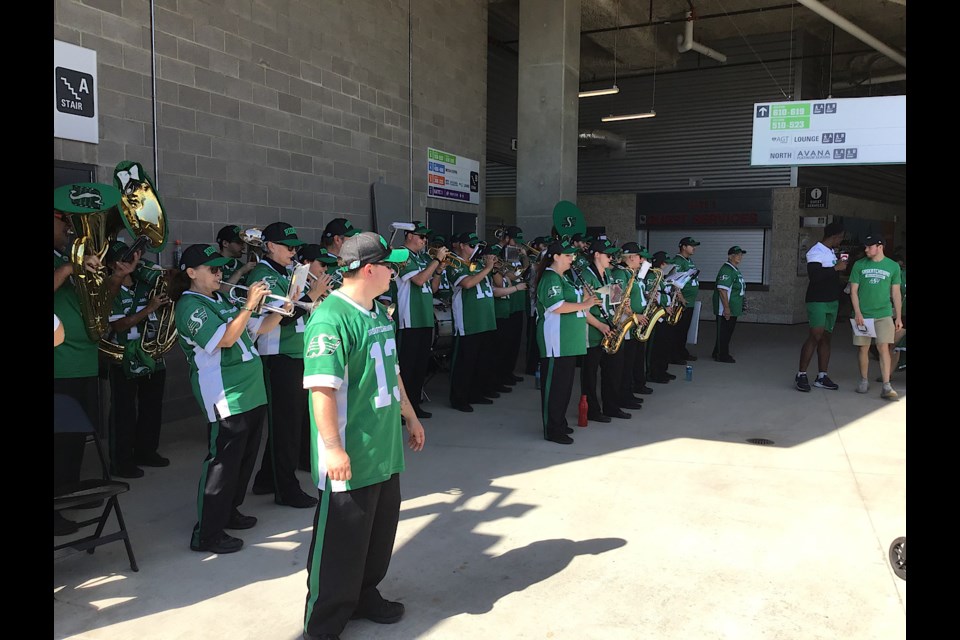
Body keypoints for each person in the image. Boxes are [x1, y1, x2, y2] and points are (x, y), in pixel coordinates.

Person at [300, 231, 425, 640]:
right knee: (339, 543)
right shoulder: (331, 317)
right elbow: (321, 388)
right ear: (369, 269)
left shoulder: (377, 311)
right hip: (351, 452)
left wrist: (409, 413)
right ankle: (324, 623)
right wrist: (332, 448)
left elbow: (393, 369)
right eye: (391, 265)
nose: (395, 272)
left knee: (377, 534)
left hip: (384, 447)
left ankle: (365, 594)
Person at [171, 243, 287, 554]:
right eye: (213, 269)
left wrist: (283, 309)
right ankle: (206, 532)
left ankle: (229, 511)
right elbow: (225, 338)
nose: (220, 273)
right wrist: (249, 304)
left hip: (250, 389)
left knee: (244, 459)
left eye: (222, 267)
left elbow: (257, 329)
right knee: (223, 462)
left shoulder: (221, 298)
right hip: (225, 393)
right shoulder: (189, 306)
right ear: (192, 273)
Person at [54, 191, 134, 536]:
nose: (69, 226)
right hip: (59, 365)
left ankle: (69, 495)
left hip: (84, 360)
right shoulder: (64, 260)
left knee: (73, 440)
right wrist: (71, 266)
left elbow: (100, 309)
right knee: (57, 443)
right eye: (63, 220)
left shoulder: (71, 256)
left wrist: (115, 277)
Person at [248, 222, 331, 508]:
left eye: (296, 247)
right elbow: (280, 315)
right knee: (286, 425)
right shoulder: (263, 274)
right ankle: (286, 487)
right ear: (270, 246)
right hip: (277, 356)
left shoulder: (286, 271)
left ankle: (266, 479)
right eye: (289, 247)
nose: (293, 252)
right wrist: (312, 295)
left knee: (290, 423)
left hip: (296, 354)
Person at [104, 240, 172, 478]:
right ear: (113, 264)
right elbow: (119, 324)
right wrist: (149, 309)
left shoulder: (146, 285)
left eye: (134, 256)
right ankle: (121, 461)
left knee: (152, 407)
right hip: (124, 356)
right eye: (125, 258)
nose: (134, 261)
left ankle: (146, 451)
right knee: (124, 412)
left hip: (153, 354)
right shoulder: (110, 288)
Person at [536, 239, 597, 444]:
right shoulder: (550, 277)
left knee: (565, 386)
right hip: (556, 341)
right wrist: (584, 303)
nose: (572, 259)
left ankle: (559, 422)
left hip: (569, 341)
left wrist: (588, 298)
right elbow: (557, 306)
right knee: (555, 386)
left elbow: (578, 304)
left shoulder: (565, 278)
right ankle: (552, 429)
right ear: (556, 256)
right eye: (568, 255)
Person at [396, 221, 447, 419]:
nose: (424, 241)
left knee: (419, 367)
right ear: (409, 235)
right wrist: (436, 261)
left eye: (426, 237)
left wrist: (440, 269)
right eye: (421, 236)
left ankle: (414, 406)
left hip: (425, 316)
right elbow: (418, 280)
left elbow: (432, 287)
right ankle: (402, 411)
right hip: (409, 319)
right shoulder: (402, 255)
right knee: (407, 368)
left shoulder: (422, 257)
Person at [448, 232, 498, 412]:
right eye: (470, 245)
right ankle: (459, 398)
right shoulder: (454, 263)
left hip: (485, 320)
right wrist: (487, 268)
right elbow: (467, 284)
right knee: (464, 362)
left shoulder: (476, 265)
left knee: (480, 360)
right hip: (467, 321)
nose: (474, 249)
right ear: (461, 245)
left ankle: (476, 393)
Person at [794, 222, 847, 392]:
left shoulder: (830, 251)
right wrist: (835, 268)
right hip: (817, 300)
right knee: (815, 335)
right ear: (834, 236)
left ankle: (822, 376)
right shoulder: (815, 251)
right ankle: (801, 374)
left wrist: (838, 267)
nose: (841, 240)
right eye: (841, 237)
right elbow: (814, 276)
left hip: (832, 300)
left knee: (826, 337)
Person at [578, 239, 626, 422]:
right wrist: (600, 325)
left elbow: (615, 298)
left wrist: (623, 303)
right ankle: (592, 410)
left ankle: (612, 407)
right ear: (597, 255)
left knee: (613, 371)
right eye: (608, 255)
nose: (611, 258)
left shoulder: (609, 274)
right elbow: (582, 308)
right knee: (590, 375)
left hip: (610, 329)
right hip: (592, 331)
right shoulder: (585, 275)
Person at [849, 236, 903, 400]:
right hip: (863, 315)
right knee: (863, 348)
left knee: (883, 348)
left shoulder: (893, 266)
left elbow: (896, 293)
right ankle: (864, 380)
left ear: (880, 246)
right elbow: (853, 291)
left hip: (884, 314)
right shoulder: (859, 265)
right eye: (865, 246)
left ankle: (886, 385)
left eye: (869, 246)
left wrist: (898, 317)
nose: (865, 250)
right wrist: (857, 312)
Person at [609, 242, 651, 407]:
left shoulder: (630, 272)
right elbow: (616, 299)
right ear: (632, 257)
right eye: (640, 257)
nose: (641, 261)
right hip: (624, 324)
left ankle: (628, 393)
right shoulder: (620, 273)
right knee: (624, 365)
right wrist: (635, 315)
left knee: (630, 362)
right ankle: (622, 396)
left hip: (633, 323)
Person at [646, 251, 678, 384]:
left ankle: (662, 370)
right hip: (657, 315)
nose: (668, 266)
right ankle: (654, 373)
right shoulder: (652, 276)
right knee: (656, 347)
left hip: (665, 315)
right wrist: (664, 305)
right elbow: (650, 294)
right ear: (661, 263)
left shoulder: (662, 276)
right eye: (666, 263)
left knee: (664, 345)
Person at [711, 246, 748, 364]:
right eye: (737, 254)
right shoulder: (727, 269)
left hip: (733, 308)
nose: (739, 257)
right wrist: (726, 308)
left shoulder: (734, 269)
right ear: (730, 256)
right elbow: (722, 290)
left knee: (727, 331)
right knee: (724, 332)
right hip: (726, 309)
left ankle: (717, 351)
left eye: (741, 255)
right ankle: (722, 355)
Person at [668, 237, 701, 363]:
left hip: (690, 301)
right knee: (678, 329)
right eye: (691, 246)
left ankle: (682, 351)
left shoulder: (689, 261)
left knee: (685, 329)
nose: (694, 248)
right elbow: (674, 281)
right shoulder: (677, 261)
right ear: (683, 247)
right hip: (681, 302)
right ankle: (674, 355)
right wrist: (680, 297)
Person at [321, 217, 361, 291]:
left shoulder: (347, 261)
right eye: (351, 238)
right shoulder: (321, 265)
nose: (354, 242)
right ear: (337, 240)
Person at [217, 224, 257, 288]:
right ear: (225, 243)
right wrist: (240, 272)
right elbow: (219, 292)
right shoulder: (213, 266)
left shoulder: (241, 265)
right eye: (239, 242)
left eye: (244, 243)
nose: (243, 247)